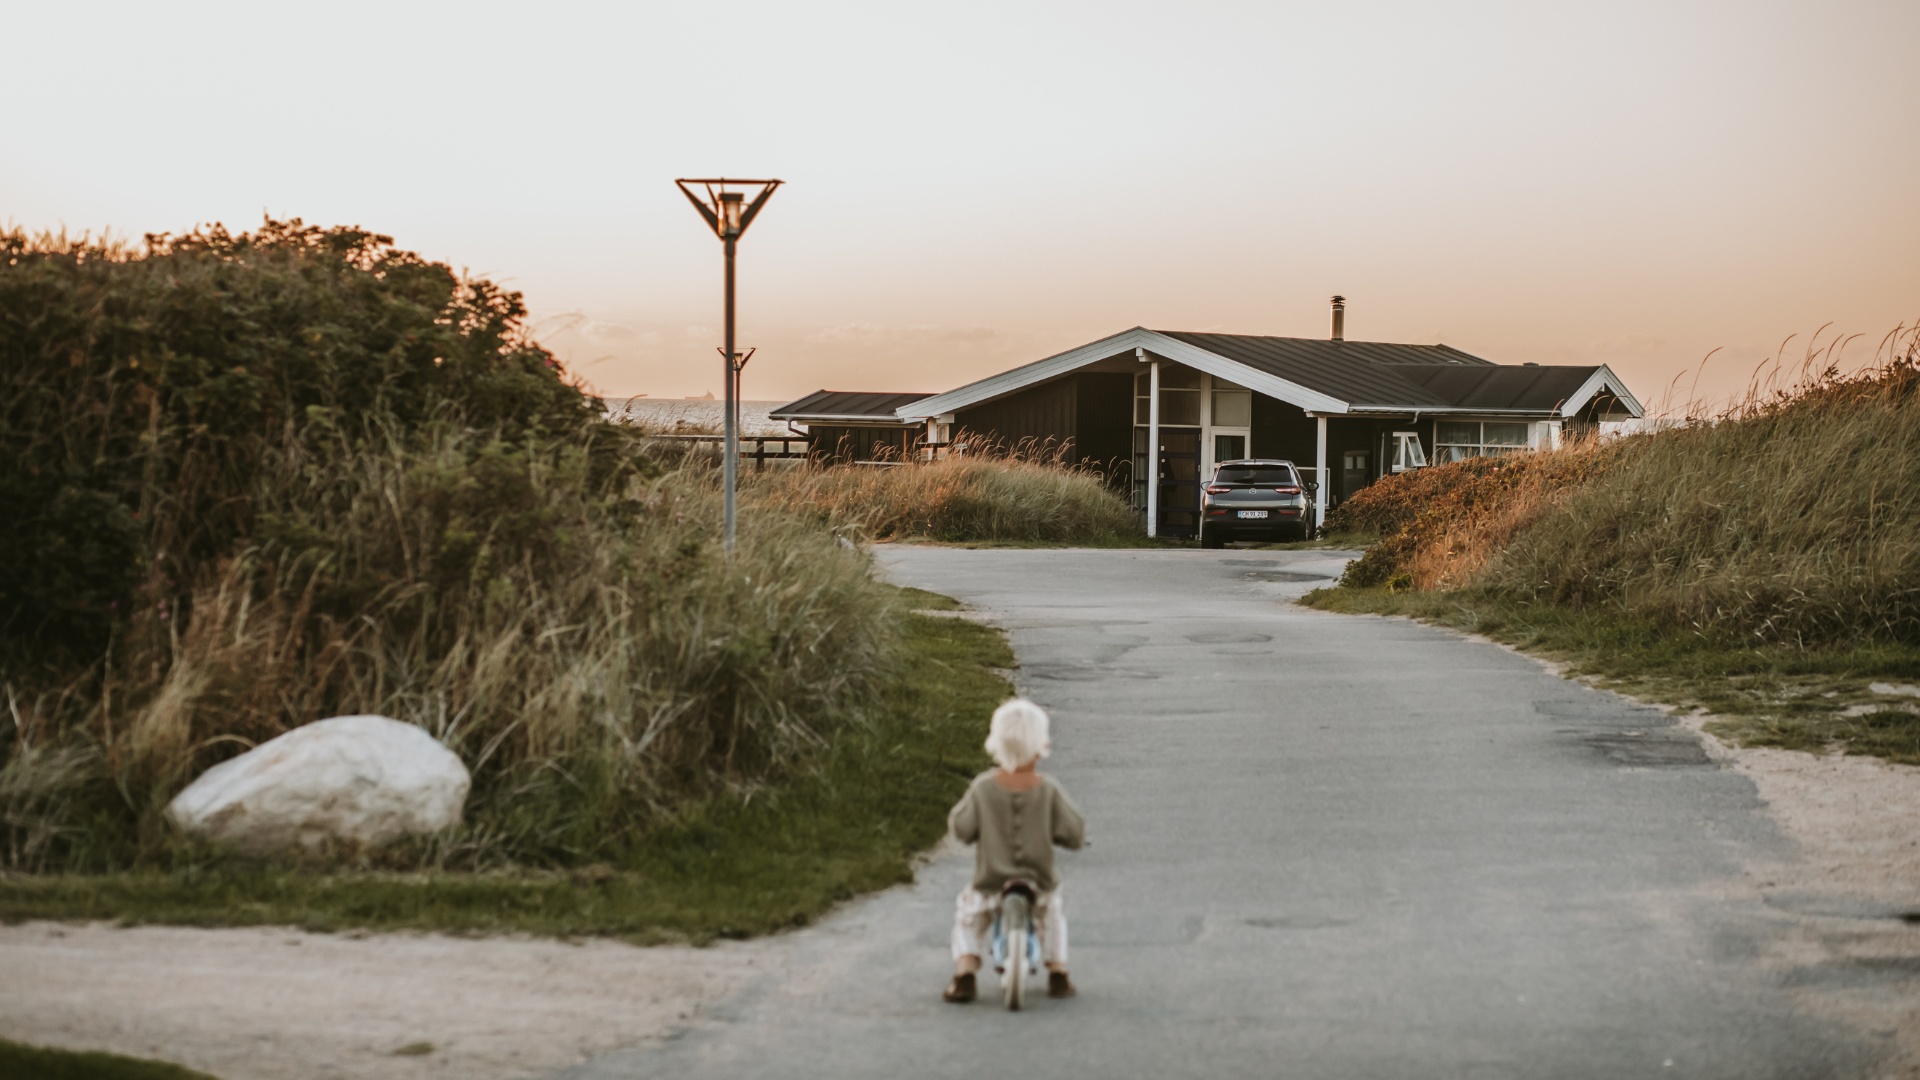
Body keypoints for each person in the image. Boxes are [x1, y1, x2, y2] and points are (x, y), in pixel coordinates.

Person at [943, 698, 1087, 1004]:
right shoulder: (1047, 789)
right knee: (1052, 917)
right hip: (1039, 885)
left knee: (968, 919)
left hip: (990, 885)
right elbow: (1074, 832)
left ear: (996, 743)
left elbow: (962, 828)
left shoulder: (983, 788)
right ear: (1040, 745)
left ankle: (966, 972)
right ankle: (1058, 970)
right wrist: (1064, 837)